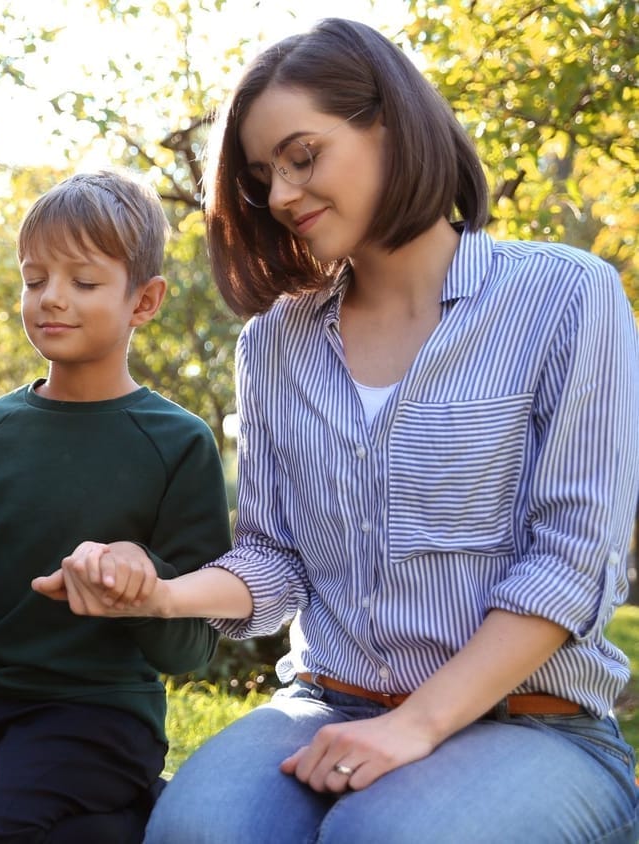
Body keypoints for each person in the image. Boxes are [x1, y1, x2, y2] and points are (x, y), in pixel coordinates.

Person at [34, 17, 639, 843]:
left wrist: (415, 725)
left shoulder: (568, 298)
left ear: (389, 126)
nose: (280, 193)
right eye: (261, 175)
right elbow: (275, 558)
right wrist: (163, 591)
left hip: (535, 722)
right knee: (196, 832)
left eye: (301, 156)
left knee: (386, 836)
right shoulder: (275, 342)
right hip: (326, 699)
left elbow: (570, 564)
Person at [0, 169, 230, 843]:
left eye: (84, 283)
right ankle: (119, 823)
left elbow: (191, 649)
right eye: (35, 280)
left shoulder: (179, 444)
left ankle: (120, 808)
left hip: (98, 722)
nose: (52, 300)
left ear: (144, 301)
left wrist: (142, 580)